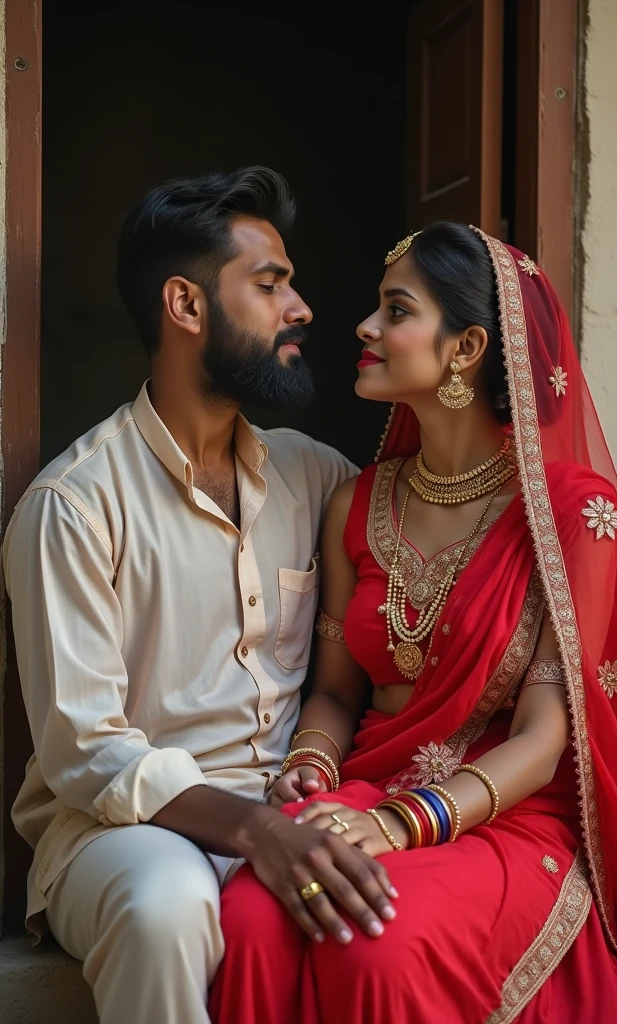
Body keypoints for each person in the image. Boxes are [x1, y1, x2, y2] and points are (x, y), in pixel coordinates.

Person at [209, 223, 617, 1024]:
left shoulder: (569, 515)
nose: (364, 328)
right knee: (253, 919)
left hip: (498, 812)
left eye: (395, 310)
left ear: (466, 349)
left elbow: (543, 739)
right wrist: (312, 770)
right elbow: (334, 693)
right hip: (363, 792)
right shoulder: (357, 503)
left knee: (376, 941)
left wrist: (406, 822)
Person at [2, 168, 400, 1024]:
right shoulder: (73, 505)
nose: (301, 307)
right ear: (185, 306)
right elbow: (84, 752)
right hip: (121, 835)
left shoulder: (318, 476)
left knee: (384, 920)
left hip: (299, 808)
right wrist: (257, 832)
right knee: (166, 907)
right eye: (269, 284)